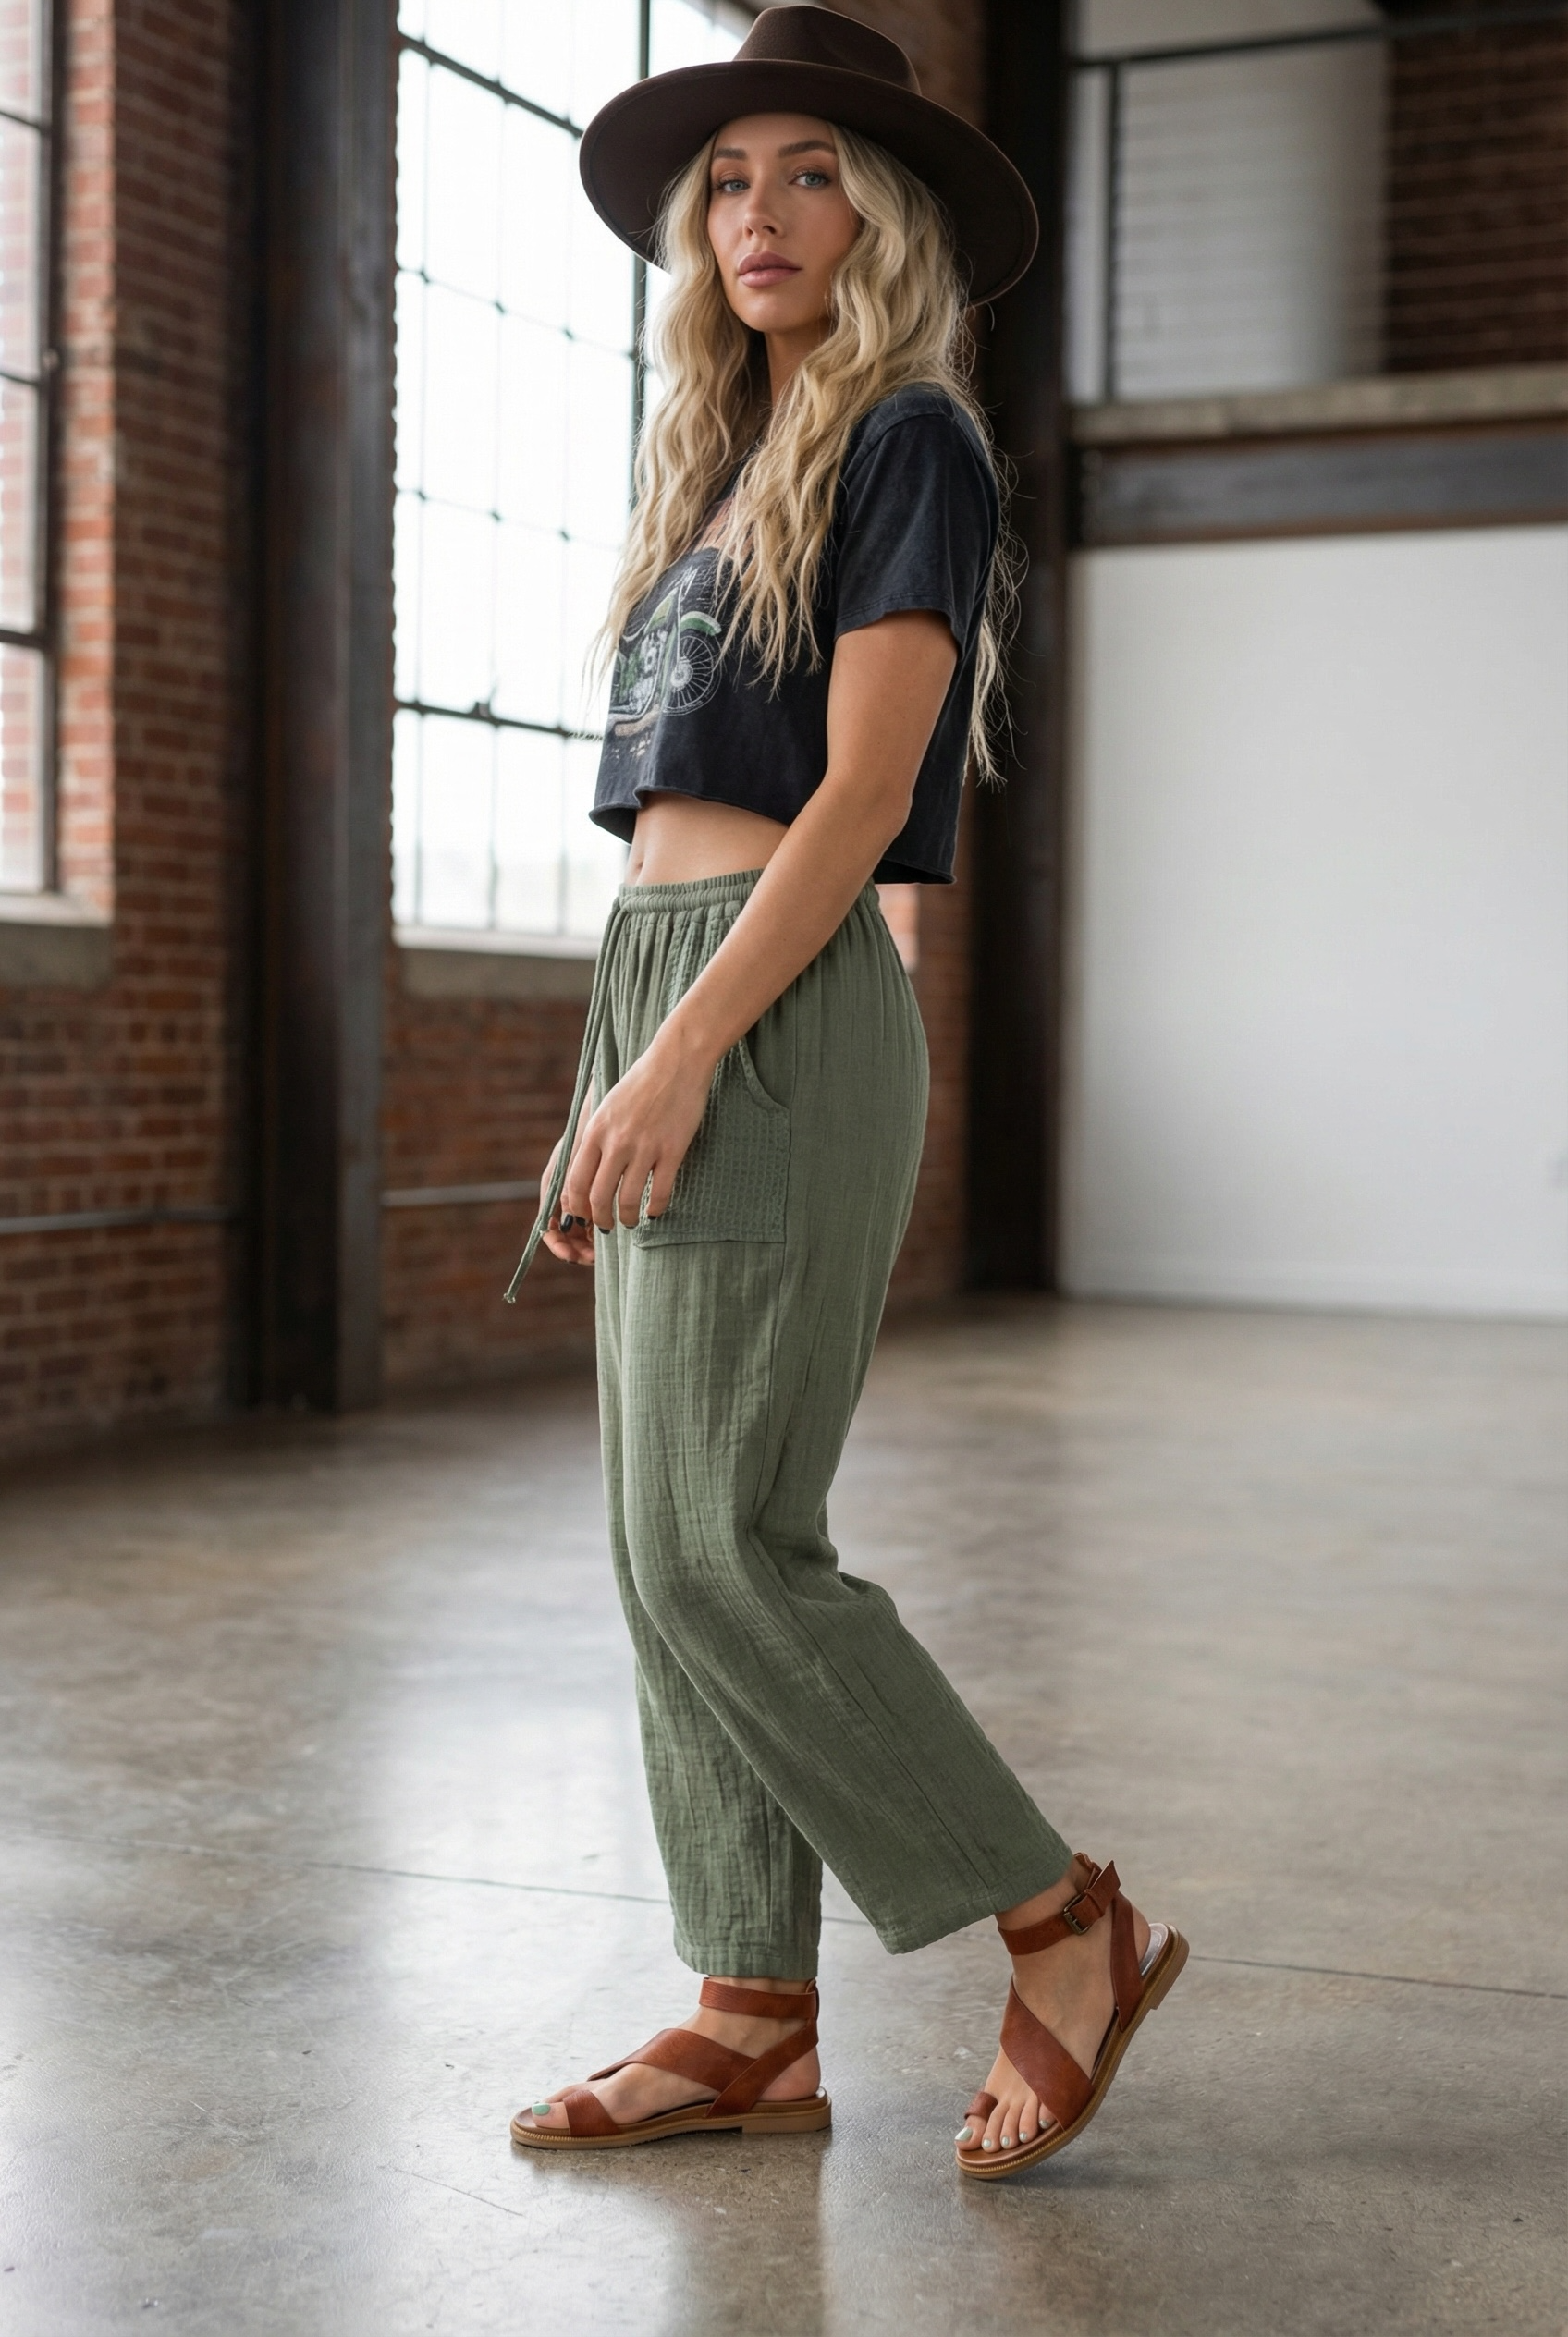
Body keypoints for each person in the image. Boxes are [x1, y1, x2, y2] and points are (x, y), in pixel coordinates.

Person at [505, 7, 1183, 2181]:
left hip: (771, 1004)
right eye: (726, 179)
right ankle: (749, 2015)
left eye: (808, 171)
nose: (759, 212)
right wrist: (610, 1061)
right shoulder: (720, 465)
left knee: (726, 1537)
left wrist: (684, 1052)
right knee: (656, 1549)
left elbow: (864, 797)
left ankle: (1060, 1919)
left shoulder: (908, 441)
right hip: (666, 979)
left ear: (876, 213)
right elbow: (664, 833)